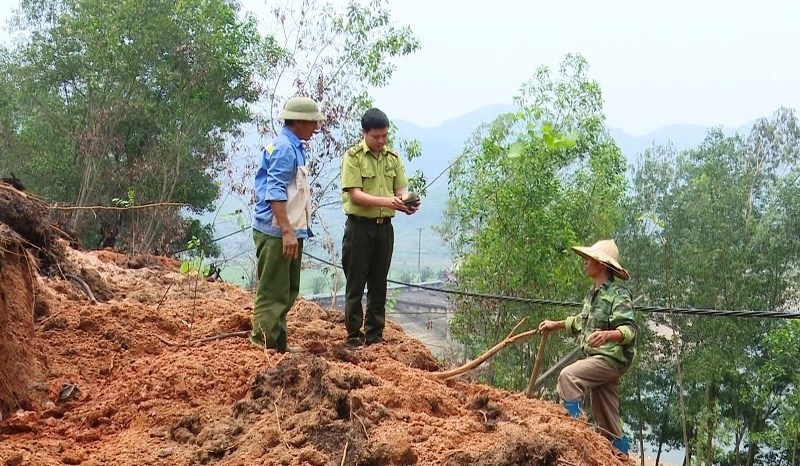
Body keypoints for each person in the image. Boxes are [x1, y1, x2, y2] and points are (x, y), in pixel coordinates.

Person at [538, 239, 636, 455]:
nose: (584, 263)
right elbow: (583, 321)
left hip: (611, 359)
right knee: (607, 420)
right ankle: (621, 456)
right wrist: (555, 325)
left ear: (601, 265)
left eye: (588, 259)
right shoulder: (593, 294)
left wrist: (608, 335)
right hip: (601, 360)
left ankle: (573, 437)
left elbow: (629, 330)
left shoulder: (618, 294)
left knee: (569, 376)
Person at [340, 108, 420, 346]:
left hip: (384, 229)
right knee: (355, 283)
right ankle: (354, 335)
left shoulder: (392, 159)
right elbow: (355, 195)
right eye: (376, 136)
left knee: (379, 283)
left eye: (385, 136)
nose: (381, 140)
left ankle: (375, 335)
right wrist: (388, 201)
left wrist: (407, 202)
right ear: (364, 133)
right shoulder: (353, 157)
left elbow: (400, 190)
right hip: (359, 228)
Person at [251, 96, 324, 353]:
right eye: (313, 123)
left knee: (287, 290)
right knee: (273, 292)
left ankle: (278, 344)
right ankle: (264, 347)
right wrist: (286, 231)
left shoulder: (293, 146)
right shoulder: (284, 148)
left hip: (288, 229)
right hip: (277, 231)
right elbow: (275, 190)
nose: (316, 128)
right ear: (299, 122)